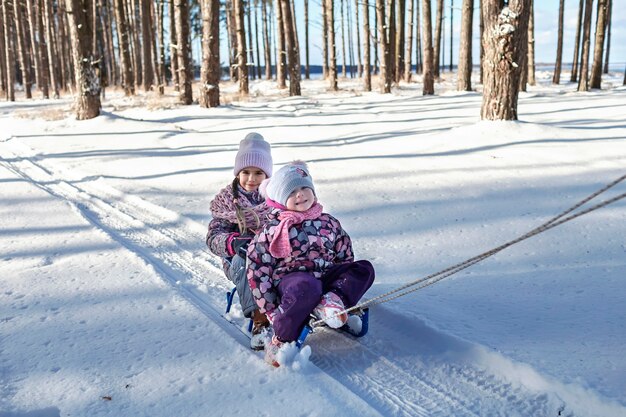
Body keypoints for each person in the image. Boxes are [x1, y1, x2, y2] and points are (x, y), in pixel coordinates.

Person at [247, 161, 375, 367]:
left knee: (364, 268)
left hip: (325, 277)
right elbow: (257, 269)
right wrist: (269, 307)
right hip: (293, 283)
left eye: (304, 187)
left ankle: (332, 301)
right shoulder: (273, 230)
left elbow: (344, 252)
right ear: (280, 200)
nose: (300, 194)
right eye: (292, 191)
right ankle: (282, 338)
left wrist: (343, 281)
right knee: (307, 286)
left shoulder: (328, 221)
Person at [207, 132, 274, 350]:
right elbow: (213, 236)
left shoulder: (276, 197)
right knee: (244, 264)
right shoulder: (228, 200)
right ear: (238, 173)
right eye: (245, 172)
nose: (251, 179)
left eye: (258, 173)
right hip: (238, 258)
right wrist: (233, 242)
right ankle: (260, 320)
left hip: (272, 255)